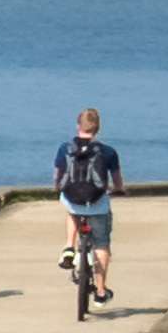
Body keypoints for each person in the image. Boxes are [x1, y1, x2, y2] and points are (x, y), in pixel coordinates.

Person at [53, 105, 123, 316]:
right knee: (101, 243)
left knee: (70, 209)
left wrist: (59, 188)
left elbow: (57, 176)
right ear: (98, 129)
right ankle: (101, 292)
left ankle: (68, 247)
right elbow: (117, 181)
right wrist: (119, 190)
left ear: (78, 126)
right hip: (97, 202)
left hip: (73, 199)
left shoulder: (64, 149)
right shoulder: (108, 152)